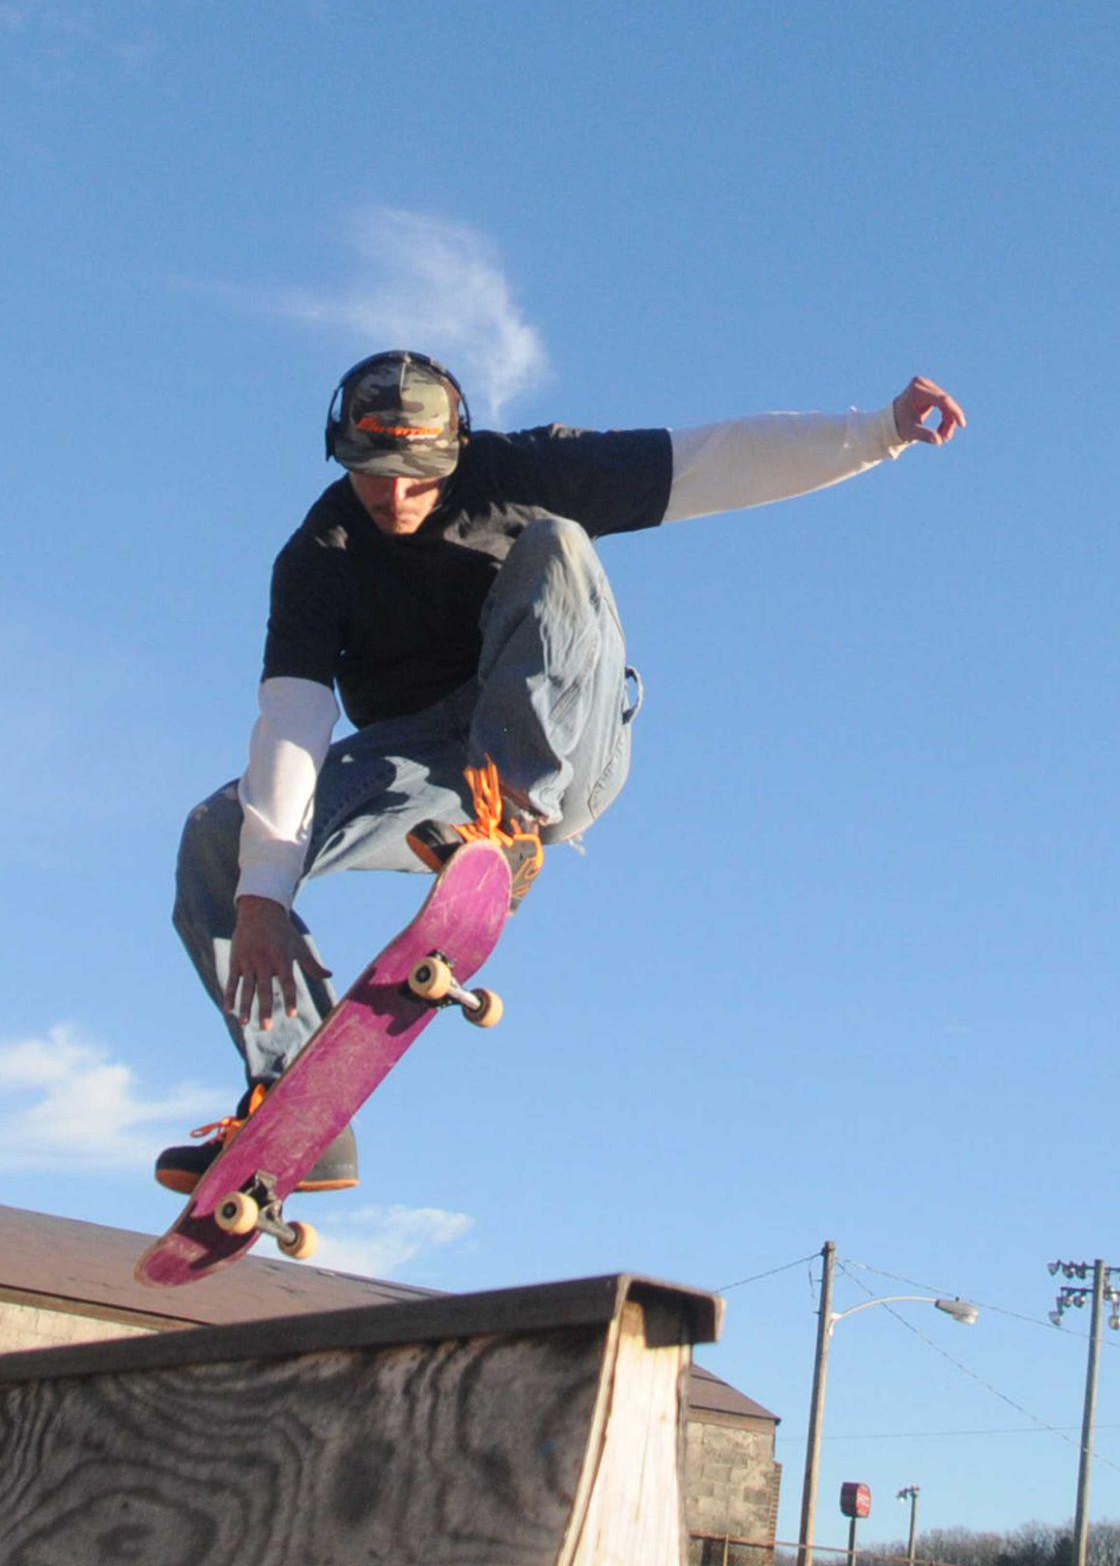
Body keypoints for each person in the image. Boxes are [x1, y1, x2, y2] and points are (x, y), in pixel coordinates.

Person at [156, 350, 966, 1194]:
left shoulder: (524, 470)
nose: (394, 497)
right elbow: (294, 721)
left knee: (558, 545)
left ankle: (507, 823)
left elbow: (712, 460)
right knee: (223, 838)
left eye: (418, 477)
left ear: (455, 451)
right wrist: (262, 892)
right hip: (426, 771)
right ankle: (300, 1107)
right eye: (373, 476)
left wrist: (877, 432)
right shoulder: (318, 553)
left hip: (566, 747)